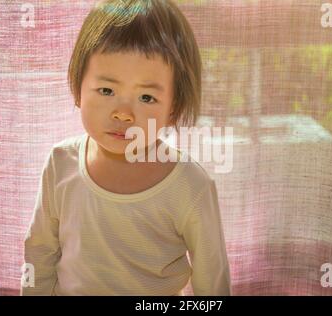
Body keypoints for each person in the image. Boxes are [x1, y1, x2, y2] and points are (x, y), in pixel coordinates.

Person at [21, 0, 230, 296]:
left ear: (174, 107)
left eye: (146, 97)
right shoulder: (60, 164)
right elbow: (40, 252)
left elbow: (213, 281)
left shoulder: (190, 186)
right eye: (106, 90)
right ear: (79, 87)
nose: (123, 113)